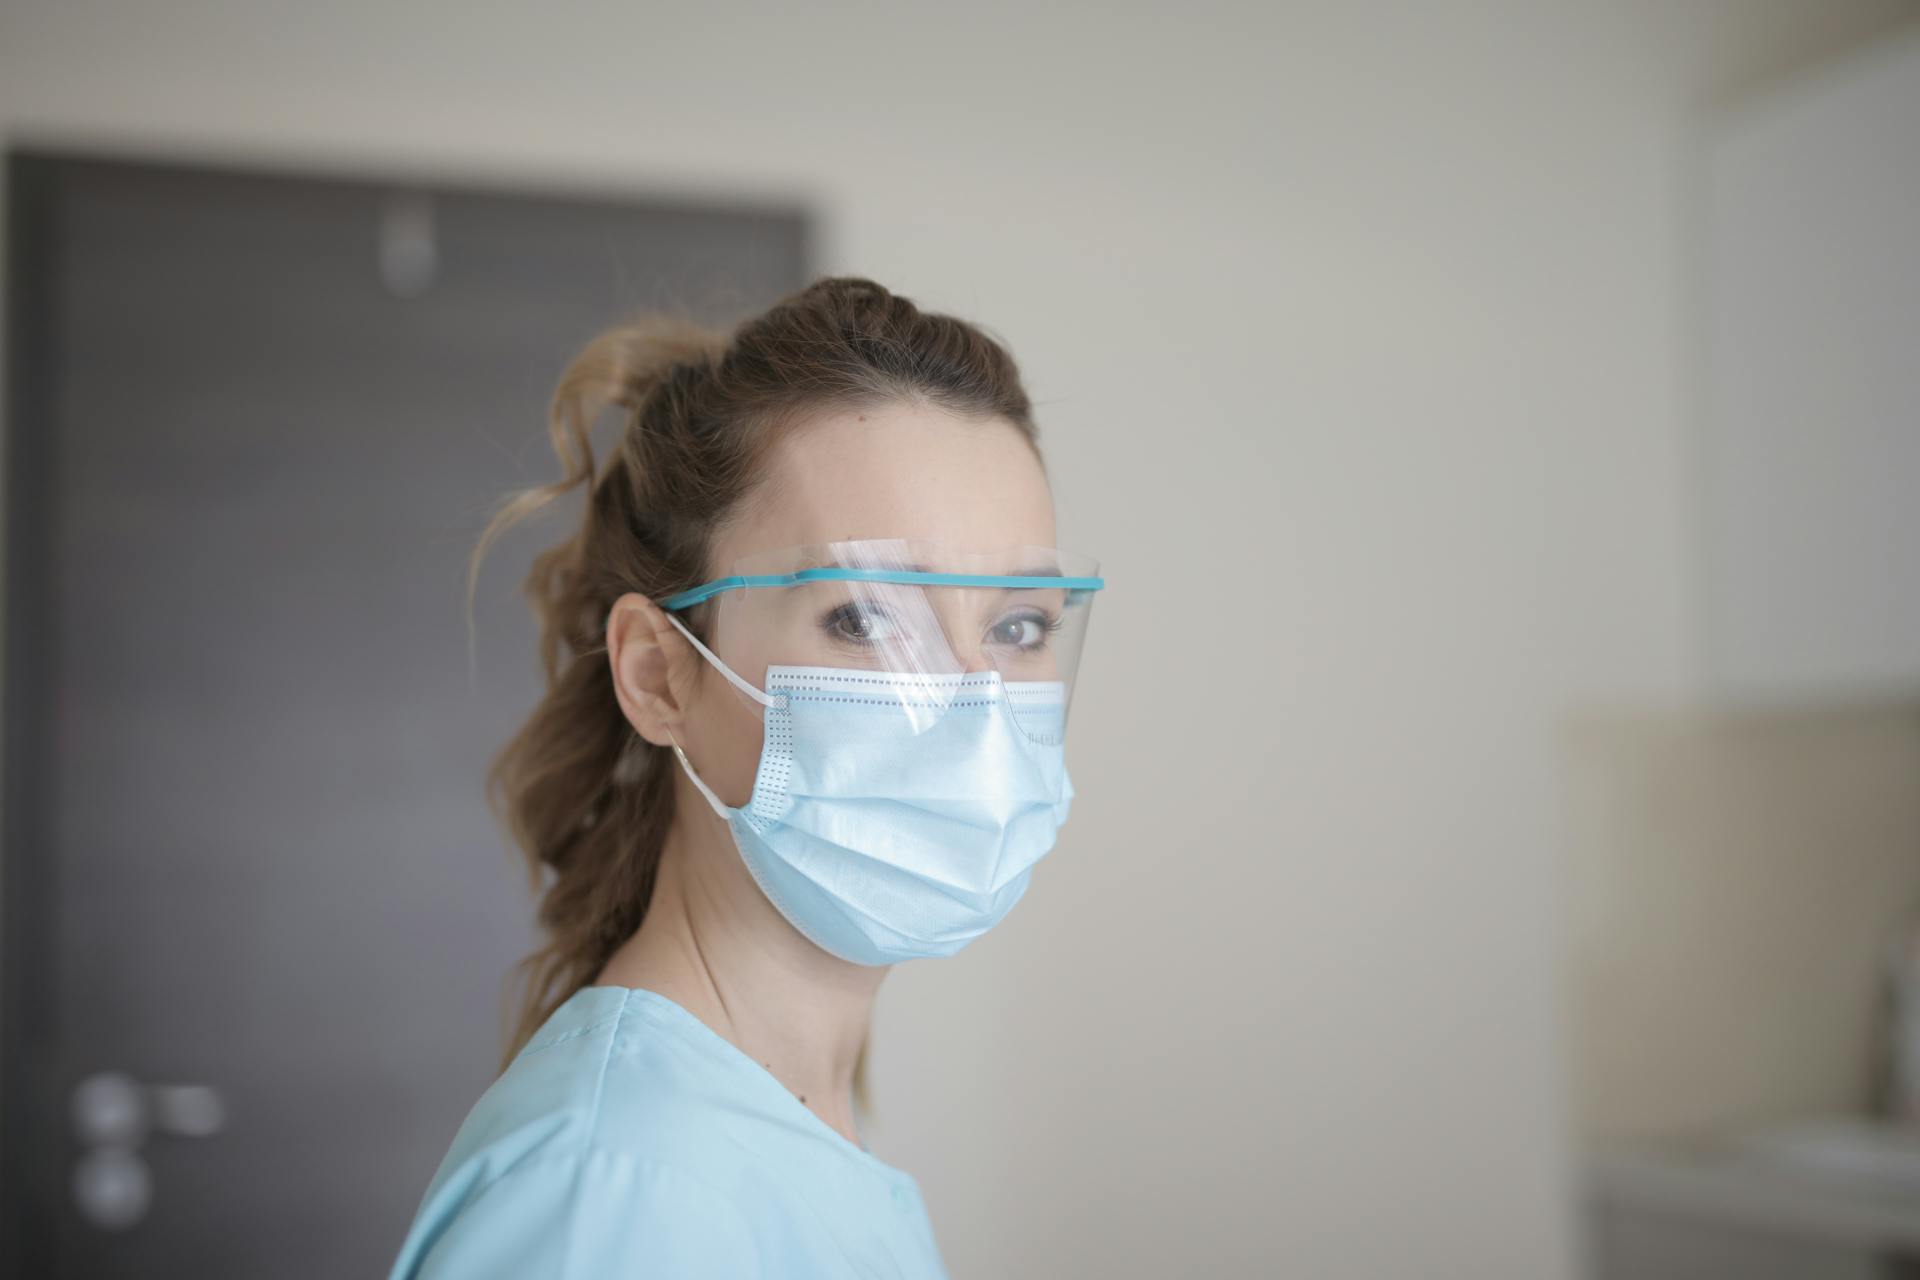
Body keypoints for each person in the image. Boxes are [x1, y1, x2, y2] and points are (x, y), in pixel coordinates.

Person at [386, 276, 1102, 1278]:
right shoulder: (610, 1192)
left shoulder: (782, 1122)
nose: (975, 712)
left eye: (1019, 625)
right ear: (658, 673)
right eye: (864, 618)